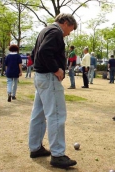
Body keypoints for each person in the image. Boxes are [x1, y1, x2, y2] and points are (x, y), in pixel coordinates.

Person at [28, 13, 77, 169]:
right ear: (65, 22)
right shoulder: (55, 32)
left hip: (40, 77)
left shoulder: (45, 30)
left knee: (39, 114)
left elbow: (34, 53)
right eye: (71, 28)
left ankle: (35, 147)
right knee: (56, 114)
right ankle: (57, 154)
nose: (70, 32)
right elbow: (43, 52)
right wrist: (56, 69)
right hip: (48, 77)